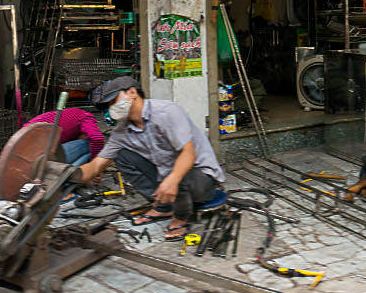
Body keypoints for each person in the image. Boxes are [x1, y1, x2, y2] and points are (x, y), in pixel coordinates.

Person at [76, 76, 224, 242]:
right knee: (123, 155)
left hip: (202, 180)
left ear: (132, 93)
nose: (111, 108)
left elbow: (188, 153)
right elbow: (97, 164)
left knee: (177, 173)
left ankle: (181, 217)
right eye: (108, 106)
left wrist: (172, 179)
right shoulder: (122, 131)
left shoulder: (166, 112)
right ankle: (165, 206)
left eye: (113, 101)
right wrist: (67, 179)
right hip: (169, 179)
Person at [24, 106, 104, 167]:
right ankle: (68, 176)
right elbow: (97, 138)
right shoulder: (86, 117)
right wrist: (95, 162)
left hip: (23, 156)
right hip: (41, 158)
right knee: (90, 146)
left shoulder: (65, 115)